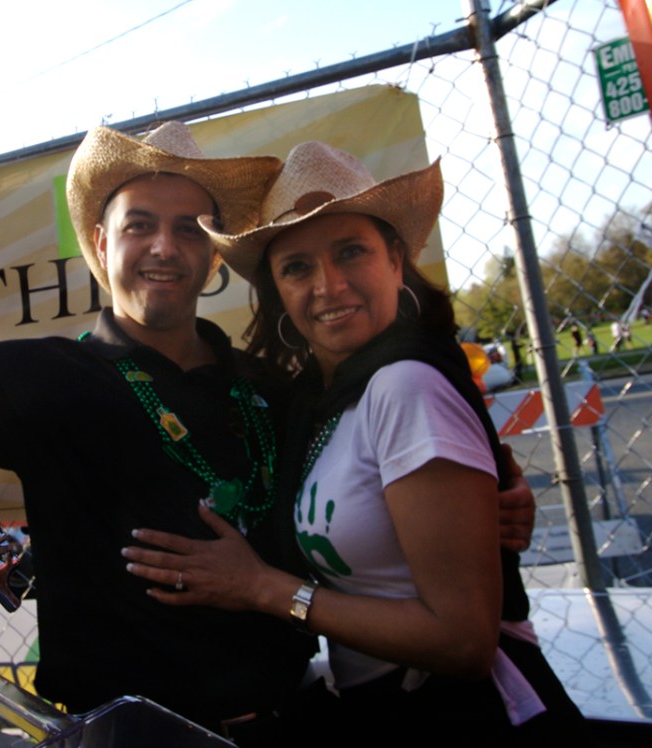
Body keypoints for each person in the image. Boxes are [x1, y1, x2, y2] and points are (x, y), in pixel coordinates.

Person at [0, 71, 535, 743]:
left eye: (187, 229)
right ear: (99, 242)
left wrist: (495, 498)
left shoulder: (276, 389)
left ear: (213, 254)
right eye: (139, 224)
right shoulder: (44, 376)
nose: (163, 247)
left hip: (305, 720)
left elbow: (390, 479)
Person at [123, 142, 593, 744]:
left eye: (351, 251)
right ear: (278, 291)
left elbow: (464, 641)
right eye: (298, 267)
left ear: (396, 260)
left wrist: (263, 589)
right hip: (381, 708)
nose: (330, 285)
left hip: (468, 715)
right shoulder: (317, 402)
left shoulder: (405, 385)